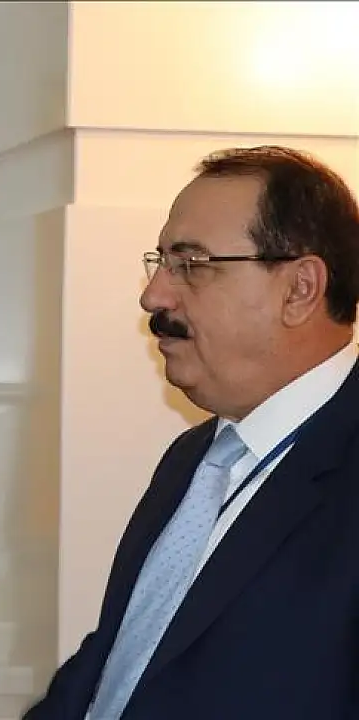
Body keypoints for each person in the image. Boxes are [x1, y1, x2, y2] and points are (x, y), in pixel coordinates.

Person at [25, 146, 359, 720]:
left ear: (300, 289)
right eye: (160, 262)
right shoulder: (195, 458)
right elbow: (121, 662)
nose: (153, 296)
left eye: (192, 264)